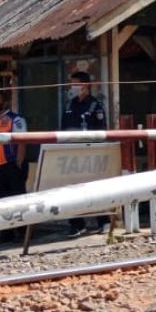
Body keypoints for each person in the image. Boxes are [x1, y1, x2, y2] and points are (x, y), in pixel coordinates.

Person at [62, 71, 110, 236]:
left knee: (95, 188)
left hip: (91, 154)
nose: (73, 88)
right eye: (71, 85)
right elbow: (62, 130)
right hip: (72, 155)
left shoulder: (95, 105)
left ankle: (104, 222)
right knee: (72, 190)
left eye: (76, 84)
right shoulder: (69, 105)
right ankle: (77, 224)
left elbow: (102, 130)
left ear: (86, 85)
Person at [0, 89, 28, 242]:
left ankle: (23, 232)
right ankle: (7, 233)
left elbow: (22, 142)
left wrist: (18, 162)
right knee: (3, 200)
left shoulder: (15, 119)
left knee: (18, 199)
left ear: (4, 102)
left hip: (13, 164)